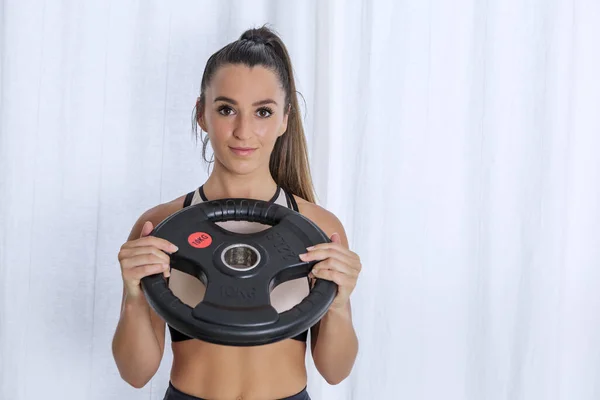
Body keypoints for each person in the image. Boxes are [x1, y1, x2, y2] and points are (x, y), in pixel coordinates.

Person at [112, 26, 361, 400]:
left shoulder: (318, 228)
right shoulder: (161, 226)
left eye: (263, 111)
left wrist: (339, 302)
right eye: (226, 109)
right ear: (201, 114)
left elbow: (335, 370)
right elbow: (136, 373)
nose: (244, 131)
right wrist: (133, 295)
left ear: (284, 120)